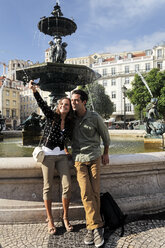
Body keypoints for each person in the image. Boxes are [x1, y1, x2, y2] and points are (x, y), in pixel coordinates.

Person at [29, 80, 74, 235]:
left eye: (66, 105)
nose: (64, 106)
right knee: (47, 187)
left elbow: (67, 139)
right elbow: (42, 104)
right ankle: (50, 219)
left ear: (69, 108)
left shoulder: (69, 122)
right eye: (62, 104)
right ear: (58, 106)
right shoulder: (51, 116)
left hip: (61, 156)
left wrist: (68, 150)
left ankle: (65, 217)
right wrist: (34, 91)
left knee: (67, 185)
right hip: (47, 155)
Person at [71, 89, 110, 248]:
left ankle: (92, 228)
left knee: (95, 192)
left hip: (94, 157)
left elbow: (105, 136)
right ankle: (96, 227)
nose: (73, 103)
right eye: (72, 100)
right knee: (86, 193)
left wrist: (106, 153)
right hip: (79, 160)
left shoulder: (94, 117)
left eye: (76, 101)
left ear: (84, 101)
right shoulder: (70, 118)